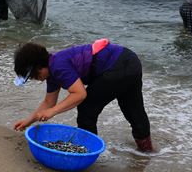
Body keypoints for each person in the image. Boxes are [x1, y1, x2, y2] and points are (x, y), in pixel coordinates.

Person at [13, 39, 153, 152]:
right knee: (133, 110)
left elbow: (80, 94)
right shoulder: (52, 70)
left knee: (86, 109)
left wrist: (53, 112)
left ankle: (88, 151)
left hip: (118, 66)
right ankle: (146, 151)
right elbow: (48, 102)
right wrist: (28, 121)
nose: (35, 79)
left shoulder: (58, 66)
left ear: (39, 67)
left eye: (33, 76)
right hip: (130, 60)